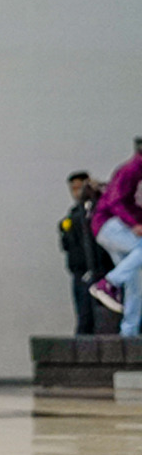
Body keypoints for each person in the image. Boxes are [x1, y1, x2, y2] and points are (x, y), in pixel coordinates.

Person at [90, 138, 142, 338]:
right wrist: (133, 224)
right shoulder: (130, 170)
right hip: (108, 224)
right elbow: (115, 202)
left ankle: (128, 331)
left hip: (118, 227)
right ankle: (108, 283)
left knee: (134, 280)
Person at [60, 172, 112, 335]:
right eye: (73, 189)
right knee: (83, 314)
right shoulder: (74, 214)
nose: (76, 193)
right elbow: (67, 244)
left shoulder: (96, 211)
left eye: (79, 188)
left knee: (94, 316)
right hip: (79, 272)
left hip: (98, 270)